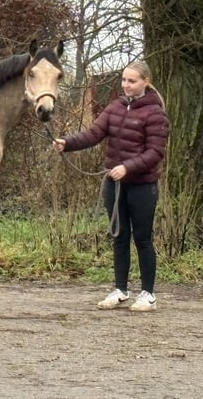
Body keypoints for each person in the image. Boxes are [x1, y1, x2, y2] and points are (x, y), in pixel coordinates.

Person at [53, 61, 169, 311]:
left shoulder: (155, 114)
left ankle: (148, 294)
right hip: (114, 185)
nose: (126, 85)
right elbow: (94, 133)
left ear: (146, 82)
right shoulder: (115, 106)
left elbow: (155, 152)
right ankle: (121, 289)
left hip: (142, 186)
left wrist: (128, 167)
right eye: (124, 80)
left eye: (132, 81)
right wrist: (68, 142)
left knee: (143, 239)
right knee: (119, 237)